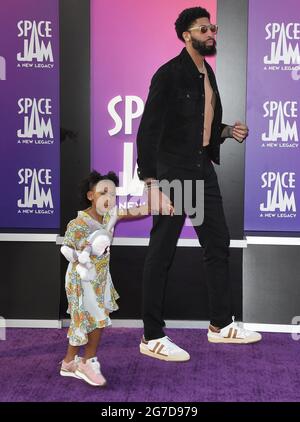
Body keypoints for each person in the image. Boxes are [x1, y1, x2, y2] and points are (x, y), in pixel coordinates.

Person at [136, 6, 262, 362]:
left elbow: (200, 128)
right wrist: (151, 183)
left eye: (213, 28)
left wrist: (226, 131)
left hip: (201, 170)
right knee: (162, 252)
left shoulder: (206, 73)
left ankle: (221, 326)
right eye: (204, 29)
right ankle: (152, 335)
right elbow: (149, 131)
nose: (211, 34)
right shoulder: (169, 74)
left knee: (218, 243)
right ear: (185, 35)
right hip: (173, 173)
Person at [59, 170, 159, 386]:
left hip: (102, 279)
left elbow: (145, 209)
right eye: (103, 192)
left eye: (113, 193)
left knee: (97, 319)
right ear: (90, 196)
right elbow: (69, 252)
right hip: (81, 280)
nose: (109, 198)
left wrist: (151, 185)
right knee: (85, 321)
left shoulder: (110, 215)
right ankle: (86, 361)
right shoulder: (77, 224)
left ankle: (69, 363)